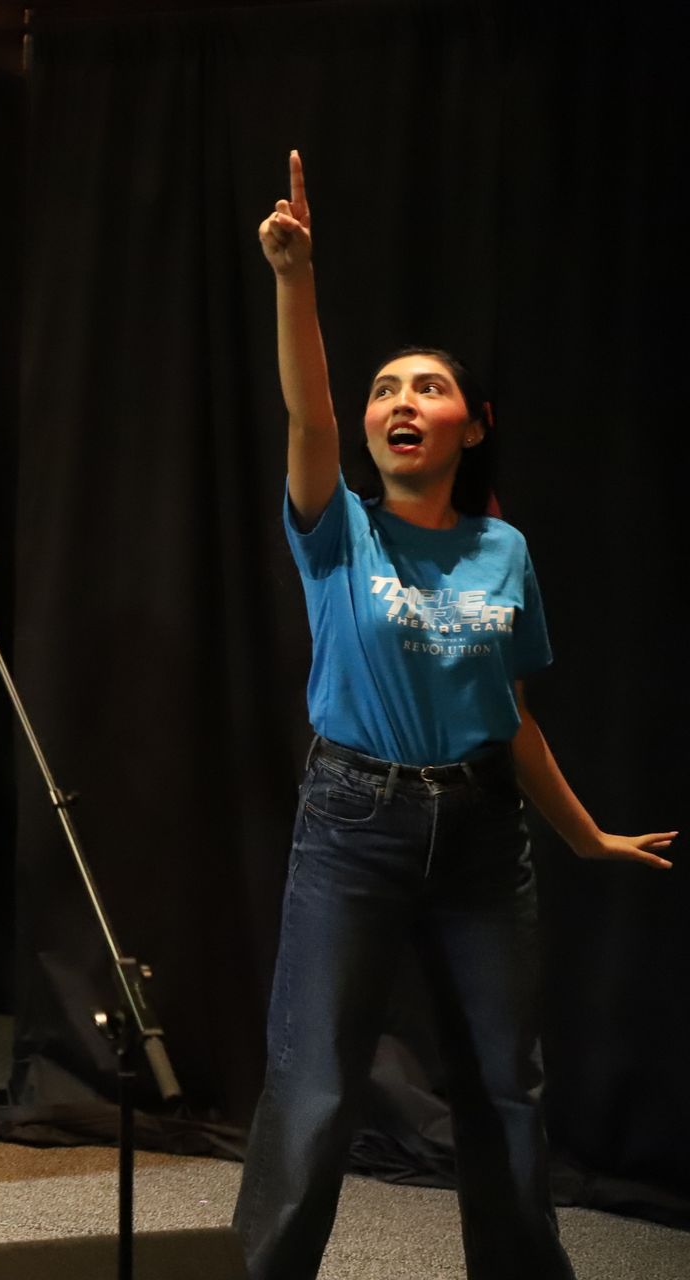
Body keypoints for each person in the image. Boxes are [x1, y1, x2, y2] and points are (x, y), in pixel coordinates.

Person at [231, 151, 675, 1280]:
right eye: (385, 390)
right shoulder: (338, 526)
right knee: (318, 1081)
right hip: (353, 823)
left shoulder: (505, 550)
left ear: (474, 424)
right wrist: (297, 277)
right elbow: (307, 407)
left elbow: (510, 711)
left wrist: (581, 833)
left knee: (503, 1083)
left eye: (425, 388)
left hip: (482, 835)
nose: (398, 404)